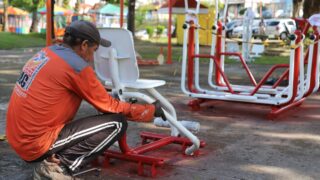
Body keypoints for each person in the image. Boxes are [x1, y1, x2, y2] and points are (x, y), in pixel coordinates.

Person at [6, 20, 165, 179]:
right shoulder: (76, 67)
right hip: (33, 143)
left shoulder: (47, 53)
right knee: (116, 123)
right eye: (94, 50)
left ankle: (50, 156)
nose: (92, 57)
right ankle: (57, 169)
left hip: (18, 137)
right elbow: (108, 106)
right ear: (84, 45)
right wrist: (149, 110)